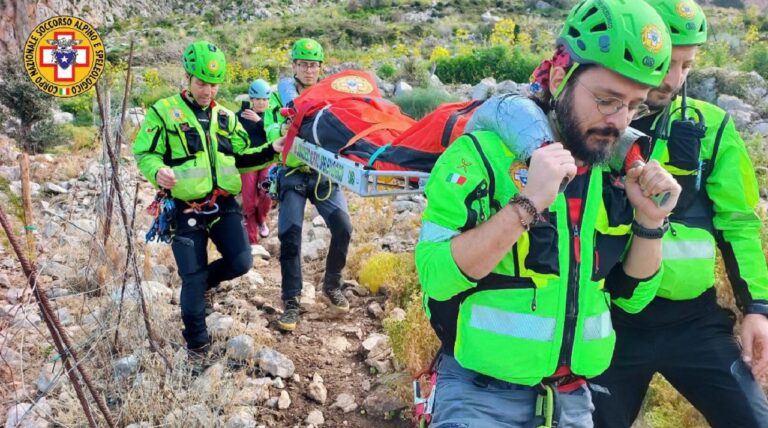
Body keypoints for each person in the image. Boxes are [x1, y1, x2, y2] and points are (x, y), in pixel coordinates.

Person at [414, 0, 682, 425]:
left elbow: (633, 298)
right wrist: (528, 204)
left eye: (634, 105)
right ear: (560, 78)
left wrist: (650, 222)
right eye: (607, 100)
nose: (619, 120)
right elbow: (435, 275)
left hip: (572, 401)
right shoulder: (479, 155)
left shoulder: (614, 174)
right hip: (479, 396)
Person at [591, 1, 768, 426]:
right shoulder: (594, 126)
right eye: (668, 62)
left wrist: (758, 309)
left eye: (687, 65)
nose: (674, 79)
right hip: (612, 323)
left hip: (696, 322)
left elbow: (738, 225)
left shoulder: (714, 127)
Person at [133, 41, 281, 363]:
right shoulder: (163, 111)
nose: (207, 90)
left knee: (242, 262)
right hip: (184, 209)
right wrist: (157, 171)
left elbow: (242, 157)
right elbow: (144, 152)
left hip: (223, 204)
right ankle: (197, 347)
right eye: (201, 82)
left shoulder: (227, 117)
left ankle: (207, 286)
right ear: (188, 76)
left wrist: (274, 148)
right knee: (192, 276)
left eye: (214, 84)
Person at [264, 38, 353, 332]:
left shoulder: (329, 96)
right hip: (292, 173)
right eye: (303, 64)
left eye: (313, 65)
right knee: (290, 234)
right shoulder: (280, 97)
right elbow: (269, 129)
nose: (308, 70)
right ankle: (291, 301)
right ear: (294, 66)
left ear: (320, 67)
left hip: (323, 174)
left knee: (343, 227)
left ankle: (332, 283)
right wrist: (283, 129)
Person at [237, 79, 275, 251]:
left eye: (265, 99)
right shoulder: (241, 116)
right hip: (248, 164)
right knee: (249, 202)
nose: (261, 103)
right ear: (252, 99)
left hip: (268, 161)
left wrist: (259, 121)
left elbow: (275, 137)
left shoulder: (271, 117)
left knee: (267, 194)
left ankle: (261, 219)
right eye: (258, 99)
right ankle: (252, 242)